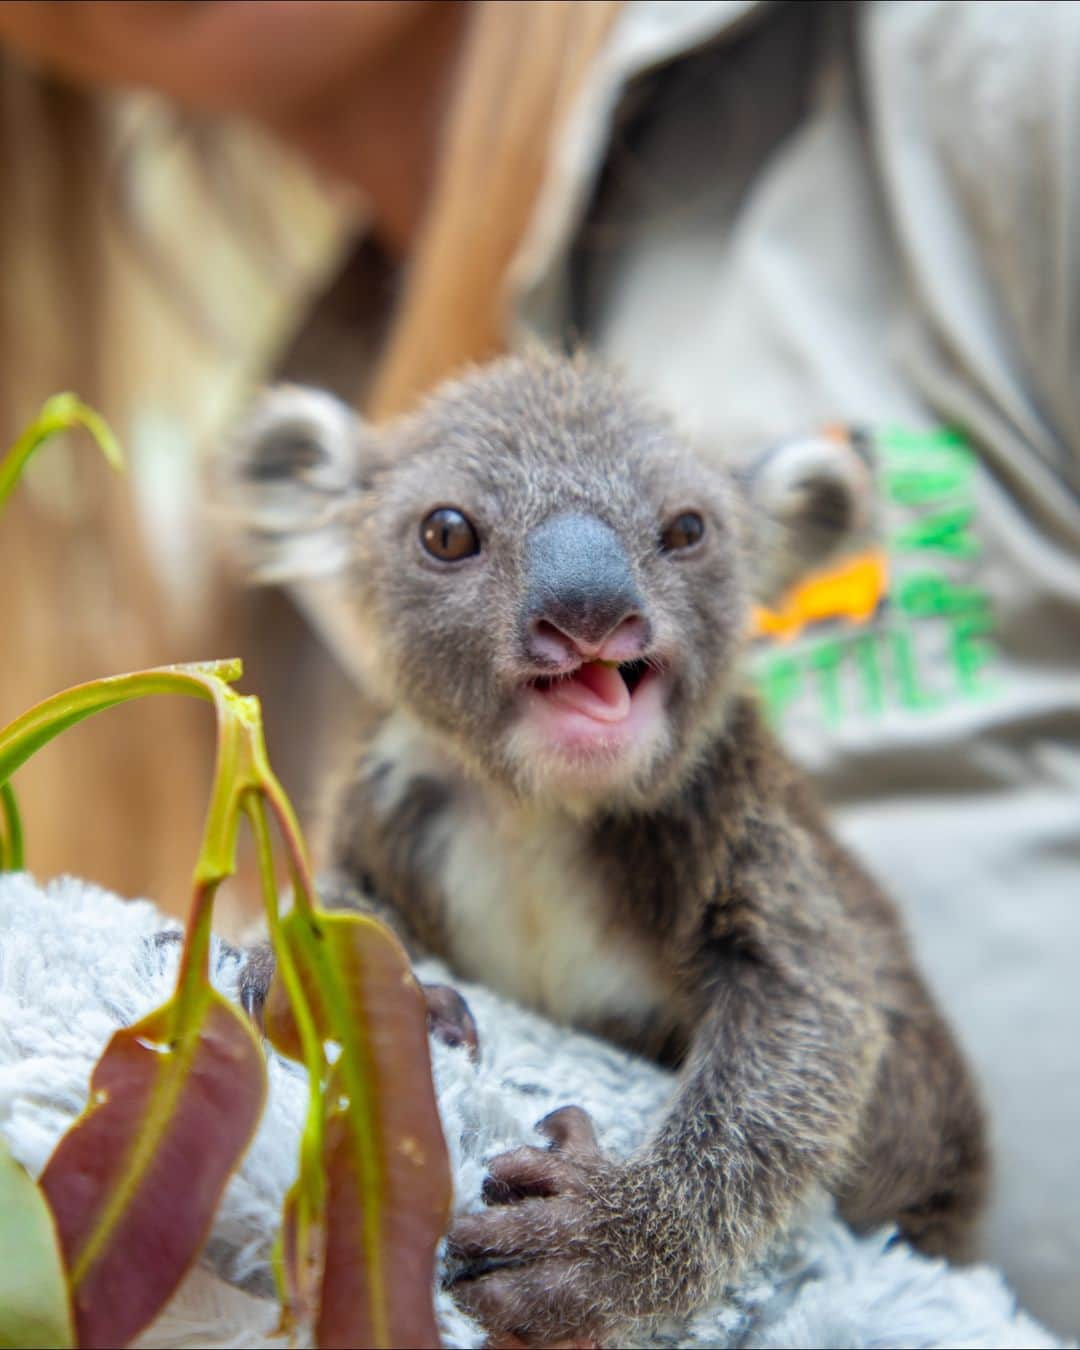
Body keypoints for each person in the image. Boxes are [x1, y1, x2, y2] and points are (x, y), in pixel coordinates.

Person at [0, 0, 1076, 1334]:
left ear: (762, 552)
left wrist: (649, 1238)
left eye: (681, 536)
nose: (589, 610)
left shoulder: (995, 80)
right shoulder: (295, 664)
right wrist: (320, 979)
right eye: (450, 539)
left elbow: (813, 1023)